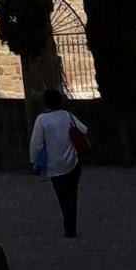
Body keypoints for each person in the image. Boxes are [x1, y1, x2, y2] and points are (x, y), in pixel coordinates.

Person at [29, 86, 87, 238]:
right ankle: (71, 226)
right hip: (73, 162)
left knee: (62, 196)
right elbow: (84, 129)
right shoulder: (67, 115)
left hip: (54, 165)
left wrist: (34, 161)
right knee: (72, 194)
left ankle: (68, 226)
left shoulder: (42, 120)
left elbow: (36, 144)